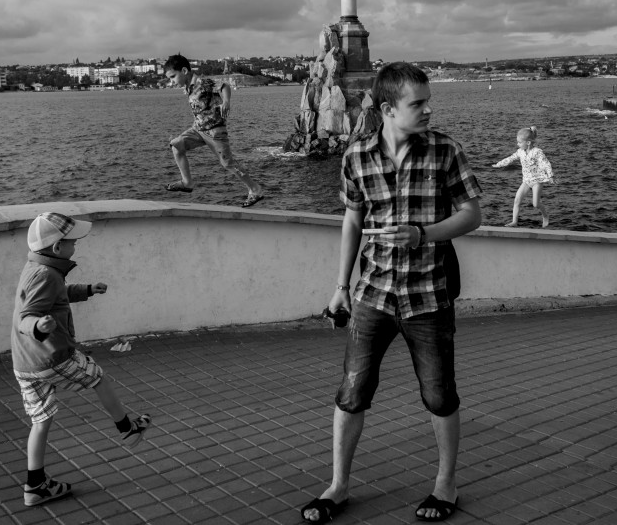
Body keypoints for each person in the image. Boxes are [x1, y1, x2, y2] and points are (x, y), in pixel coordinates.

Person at [300, 63, 482, 524]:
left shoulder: (445, 150)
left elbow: (472, 215)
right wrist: (340, 287)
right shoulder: (357, 156)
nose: (427, 110)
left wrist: (423, 234)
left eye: (427, 101)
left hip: (429, 295)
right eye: (417, 103)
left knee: (440, 396)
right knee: (352, 392)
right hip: (373, 295)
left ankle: (446, 485)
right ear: (387, 109)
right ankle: (338, 487)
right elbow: (352, 222)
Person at [11, 212, 151, 507]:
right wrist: (38, 327)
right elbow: (27, 316)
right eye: (72, 241)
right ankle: (126, 428)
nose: (76, 246)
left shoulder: (37, 266)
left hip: (25, 362)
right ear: (58, 248)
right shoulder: (46, 274)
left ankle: (35, 486)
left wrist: (87, 290)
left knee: (41, 420)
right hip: (51, 356)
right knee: (98, 377)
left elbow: (56, 296)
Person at [163, 53, 266, 208]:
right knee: (176, 145)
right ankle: (187, 182)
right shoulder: (189, 86)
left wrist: (226, 102)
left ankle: (255, 190)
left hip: (215, 131)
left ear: (184, 71)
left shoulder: (203, 82)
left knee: (228, 163)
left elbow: (225, 86)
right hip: (198, 129)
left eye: (172, 77)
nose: (171, 82)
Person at [491, 126, 554, 228]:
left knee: (535, 204)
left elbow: (545, 163)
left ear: (528, 143)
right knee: (517, 200)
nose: (517, 144)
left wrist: (550, 176)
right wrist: (499, 164)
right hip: (526, 181)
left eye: (519, 142)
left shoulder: (537, 152)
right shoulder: (520, 152)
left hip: (537, 181)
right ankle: (514, 222)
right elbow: (511, 158)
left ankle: (545, 215)